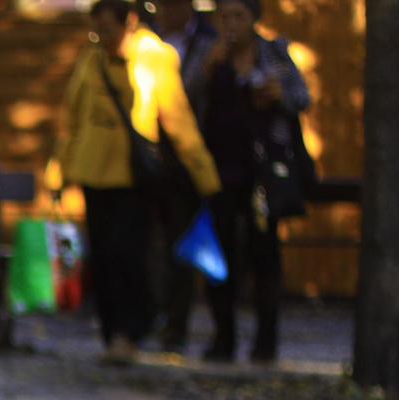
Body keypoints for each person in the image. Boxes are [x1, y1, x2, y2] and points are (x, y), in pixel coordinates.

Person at [47, 0, 219, 365]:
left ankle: (130, 331)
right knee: (105, 256)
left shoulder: (154, 56)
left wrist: (204, 175)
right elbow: (72, 117)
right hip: (93, 171)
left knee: (128, 252)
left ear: (130, 23)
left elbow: (177, 118)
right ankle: (114, 336)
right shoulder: (91, 57)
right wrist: (57, 172)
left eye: (107, 30)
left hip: (133, 175)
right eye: (97, 31)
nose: (102, 39)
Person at [198, 0, 309, 363]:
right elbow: (185, 100)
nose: (230, 24)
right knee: (221, 255)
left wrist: (281, 96)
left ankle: (266, 341)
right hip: (219, 170)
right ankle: (223, 337)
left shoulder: (274, 55)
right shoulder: (209, 54)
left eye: (238, 17)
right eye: (224, 16)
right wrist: (205, 71)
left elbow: (301, 97)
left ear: (254, 20)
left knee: (264, 255)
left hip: (263, 171)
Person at [151, 0, 218, 351]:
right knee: (151, 245)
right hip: (149, 163)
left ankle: (176, 324)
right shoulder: (147, 41)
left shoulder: (210, 43)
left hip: (188, 164)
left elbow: (189, 102)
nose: (161, 11)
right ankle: (153, 317)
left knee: (182, 244)